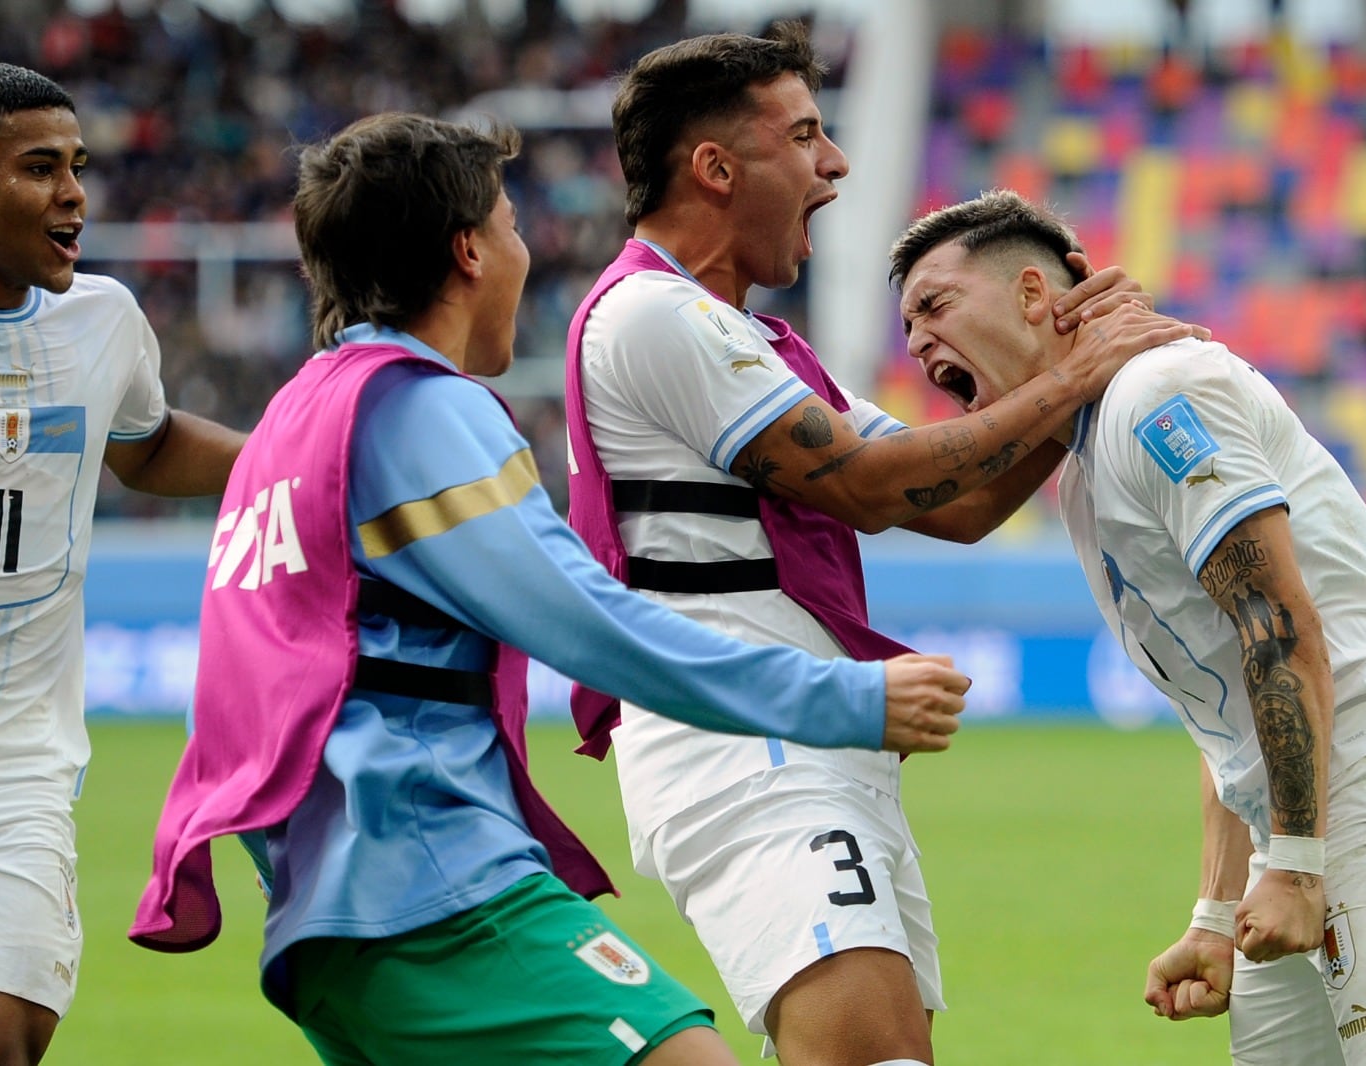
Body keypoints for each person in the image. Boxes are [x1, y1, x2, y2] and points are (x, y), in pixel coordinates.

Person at [128, 111, 976, 1066]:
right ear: (468, 252)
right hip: (434, 886)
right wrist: (844, 697)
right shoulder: (418, 409)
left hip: (326, 914)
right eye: (512, 228)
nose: (526, 254)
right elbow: (591, 621)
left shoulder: (293, 423)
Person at [564, 22, 1207, 1066]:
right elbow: (867, 487)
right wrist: (1076, 378)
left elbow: (947, 501)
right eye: (807, 134)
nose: (838, 162)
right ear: (716, 167)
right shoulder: (651, 315)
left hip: (807, 738)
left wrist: (1075, 360)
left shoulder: (755, 344)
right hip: (746, 742)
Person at [889, 188, 1366, 1066]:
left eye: (934, 304)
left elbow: (1277, 626)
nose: (914, 340)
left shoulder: (1156, 393)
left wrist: (1293, 865)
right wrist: (1217, 914)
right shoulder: (1084, 464)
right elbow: (1225, 707)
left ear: (1035, 294)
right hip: (1298, 826)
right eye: (907, 322)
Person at [0, 61, 248, 1066]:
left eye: (76, 165)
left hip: (7, 781)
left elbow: (143, 445)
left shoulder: (100, 321)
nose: (74, 194)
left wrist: (307, 461)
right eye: (37, 168)